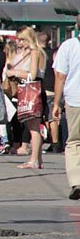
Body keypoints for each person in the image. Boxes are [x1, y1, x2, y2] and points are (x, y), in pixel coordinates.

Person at [5, 26, 46, 169]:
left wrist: (14, 72)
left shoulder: (35, 52)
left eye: (22, 40)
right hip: (29, 89)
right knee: (32, 126)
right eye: (18, 40)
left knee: (33, 127)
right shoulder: (28, 52)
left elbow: (33, 74)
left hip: (33, 89)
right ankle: (37, 159)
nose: (19, 43)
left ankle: (33, 159)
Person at [52, 16, 80, 200]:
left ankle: (77, 181)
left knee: (74, 141)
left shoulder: (69, 46)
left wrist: (56, 103)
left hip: (75, 99)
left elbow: (60, 76)